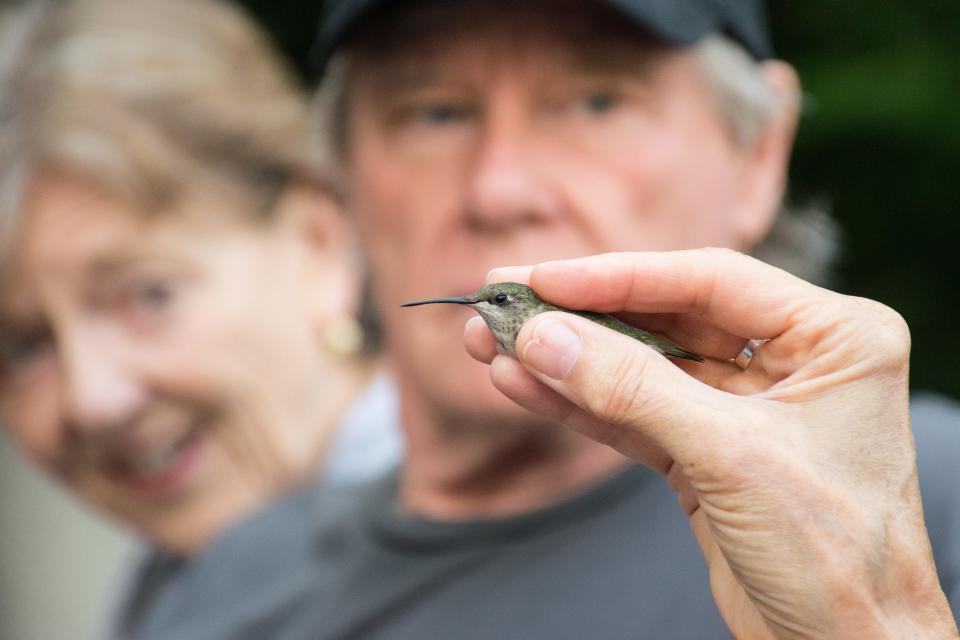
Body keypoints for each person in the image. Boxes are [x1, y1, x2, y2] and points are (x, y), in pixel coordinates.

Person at [97, 0, 960, 637]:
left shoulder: (921, 498)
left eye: (596, 101)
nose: (500, 190)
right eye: (434, 112)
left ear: (759, 152)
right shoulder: (218, 594)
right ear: (340, 188)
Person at [0, 0, 400, 635]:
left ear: (319, 241)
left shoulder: (493, 553)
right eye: (22, 348)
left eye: (148, 295)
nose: (91, 399)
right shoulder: (168, 593)